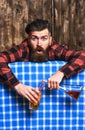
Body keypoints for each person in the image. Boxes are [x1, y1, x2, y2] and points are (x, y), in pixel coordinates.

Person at [0, 19, 85, 105]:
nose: (39, 44)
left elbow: (83, 56)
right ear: (28, 40)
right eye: (34, 38)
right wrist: (18, 86)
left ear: (50, 40)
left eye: (44, 38)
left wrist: (61, 73)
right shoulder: (23, 49)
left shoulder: (55, 49)